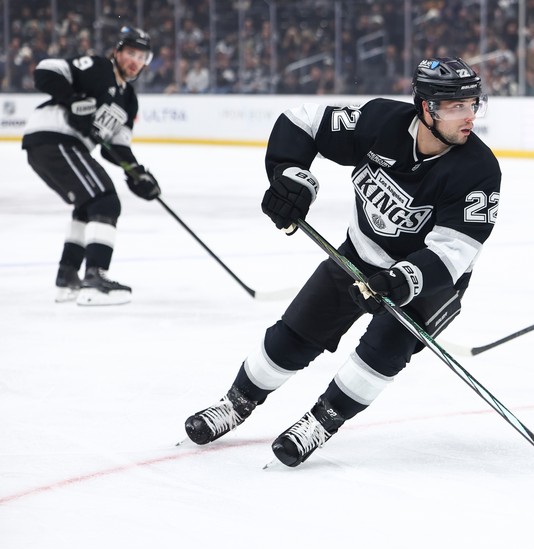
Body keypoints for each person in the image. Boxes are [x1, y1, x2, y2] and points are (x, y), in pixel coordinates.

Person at [184, 57, 502, 467]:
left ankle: (322, 420)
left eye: (474, 104)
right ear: (426, 107)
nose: (470, 116)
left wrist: (400, 281)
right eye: (457, 106)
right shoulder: (380, 122)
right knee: (293, 335)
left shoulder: (478, 169)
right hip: (360, 254)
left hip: (430, 281)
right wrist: (289, 173)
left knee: (381, 351)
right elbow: (303, 122)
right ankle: (236, 403)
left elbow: (455, 251)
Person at [21, 26, 161, 306]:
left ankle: (68, 278)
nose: (134, 61)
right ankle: (95, 280)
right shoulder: (98, 67)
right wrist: (72, 100)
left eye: (141, 57)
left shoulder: (128, 101)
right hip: (55, 136)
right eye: (130, 53)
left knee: (88, 205)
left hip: (62, 145)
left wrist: (137, 173)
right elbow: (46, 71)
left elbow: (117, 147)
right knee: (106, 202)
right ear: (118, 52)